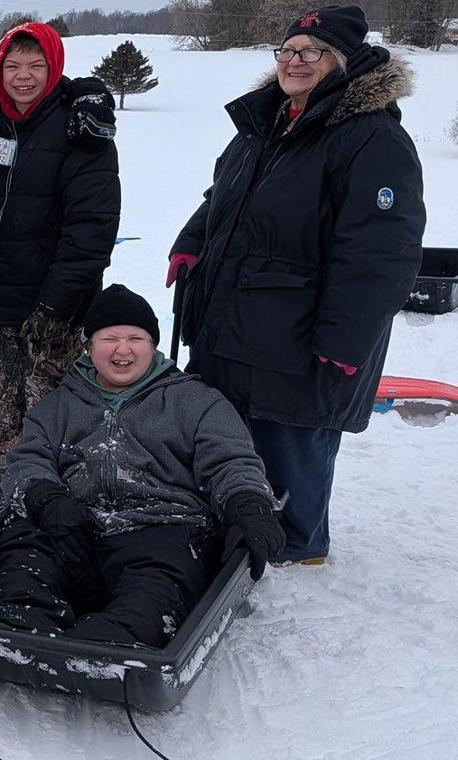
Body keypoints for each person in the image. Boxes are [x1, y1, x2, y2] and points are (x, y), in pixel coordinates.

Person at [170, 5, 425, 567]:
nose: (295, 61)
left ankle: (297, 551)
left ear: (342, 62)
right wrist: (191, 242)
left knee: (289, 441)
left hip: (302, 336)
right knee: (227, 436)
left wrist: (344, 342)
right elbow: (222, 198)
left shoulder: (370, 137)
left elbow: (382, 253)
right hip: (236, 318)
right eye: (287, 51)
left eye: (313, 53)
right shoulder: (269, 122)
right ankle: (238, 530)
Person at [0, 285, 284, 648]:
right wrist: (47, 499)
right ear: (89, 348)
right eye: (110, 338)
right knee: (24, 551)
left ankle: (112, 643)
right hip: (73, 527)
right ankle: (16, 628)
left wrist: (248, 504)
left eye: (135, 338)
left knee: (160, 587)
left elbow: (231, 461)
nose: (123, 349)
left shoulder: (197, 402)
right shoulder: (58, 405)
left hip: (161, 529)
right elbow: (28, 460)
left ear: (152, 345)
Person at [0, 22, 120, 519]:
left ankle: (57, 508)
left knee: (52, 416)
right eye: (12, 66)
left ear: (55, 68)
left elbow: (92, 230)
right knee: (5, 415)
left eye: (37, 66)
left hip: (54, 310)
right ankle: (6, 505)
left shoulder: (80, 127)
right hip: (1, 306)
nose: (23, 77)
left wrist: (55, 305)